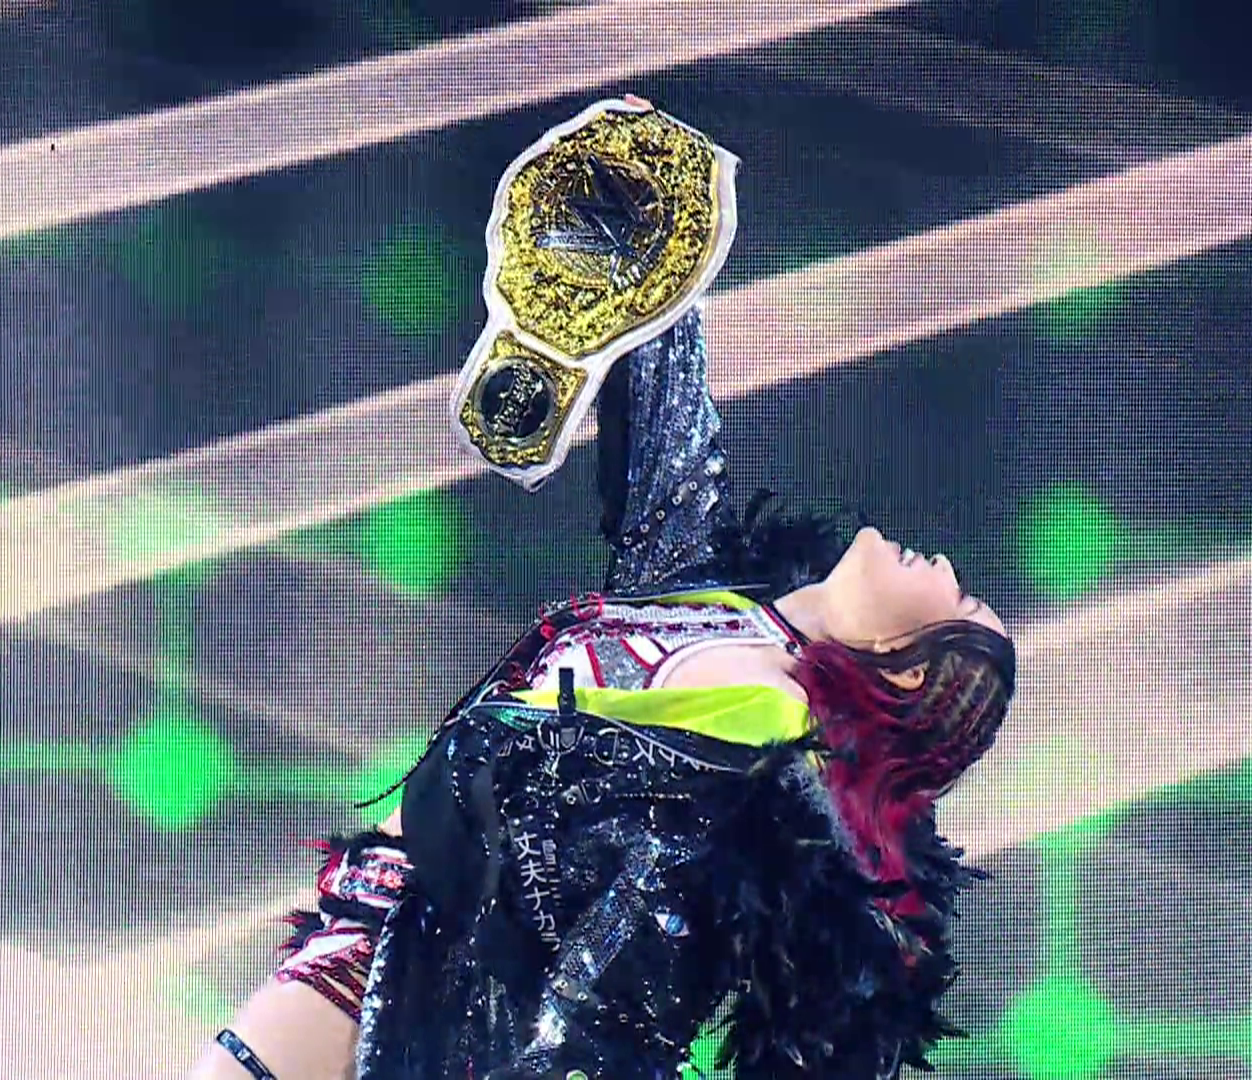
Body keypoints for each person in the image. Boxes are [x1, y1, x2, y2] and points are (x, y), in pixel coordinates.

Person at [188, 99, 1015, 1080]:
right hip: (386, 919)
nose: (950, 571)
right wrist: (659, 232)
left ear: (909, 675)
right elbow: (672, 453)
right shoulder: (726, 609)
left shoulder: (761, 727)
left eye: (964, 610)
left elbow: (613, 967)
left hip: (439, 995)